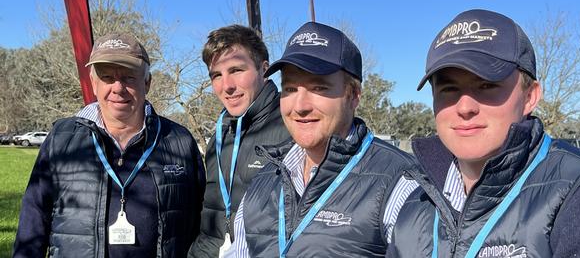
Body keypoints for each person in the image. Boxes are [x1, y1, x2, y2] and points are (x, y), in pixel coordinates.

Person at [387, 9, 580, 257]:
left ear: (530, 96)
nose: (465, 107)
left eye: (487, 85)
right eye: (448, 89)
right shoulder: (415, 203)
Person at [225, 21, 420, 257]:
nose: (300, 106)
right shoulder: (265, 179)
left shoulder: (402, 182)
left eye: (319, 88)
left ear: (353, 95)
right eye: (290, 89)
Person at [13, 33, 206, 257]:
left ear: (147, 83)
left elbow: (204, 224)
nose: (117, 87)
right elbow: (34, 218)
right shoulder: (62, 138)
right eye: (107, 77)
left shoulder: (178, 141)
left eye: (129, 77)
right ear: (93, 84)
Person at [188, 25, 291, 257]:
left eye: (236, 70)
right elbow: (211, 222)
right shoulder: (220, 132)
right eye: (216, 75)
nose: (227, 86)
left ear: (264, 70)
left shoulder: (292, 127)